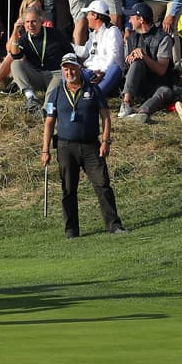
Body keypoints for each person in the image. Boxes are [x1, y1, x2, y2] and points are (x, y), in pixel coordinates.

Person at [41, 53, 126, 239]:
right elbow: (49, 122)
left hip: (91, 146)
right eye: (65, 69)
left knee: (102, 184)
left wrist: (105, 141)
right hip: (65, 146)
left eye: (72, 68)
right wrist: (45, 149)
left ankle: (114, 225)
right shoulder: (56, 93)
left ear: (79, 69)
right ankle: (71, 229)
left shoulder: (93, 90)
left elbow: (106, 117)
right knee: (68, 189)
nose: (69, 72)